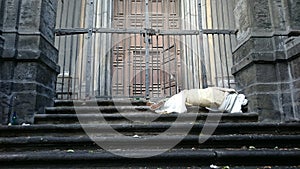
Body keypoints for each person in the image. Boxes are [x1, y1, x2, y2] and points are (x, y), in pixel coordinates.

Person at [149, 87, 248, 114]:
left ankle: (229, 101)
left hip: (202, 95)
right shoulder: (176, 99)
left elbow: (181, 109)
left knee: (210, 95)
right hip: (198, 96)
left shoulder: (178, 97)